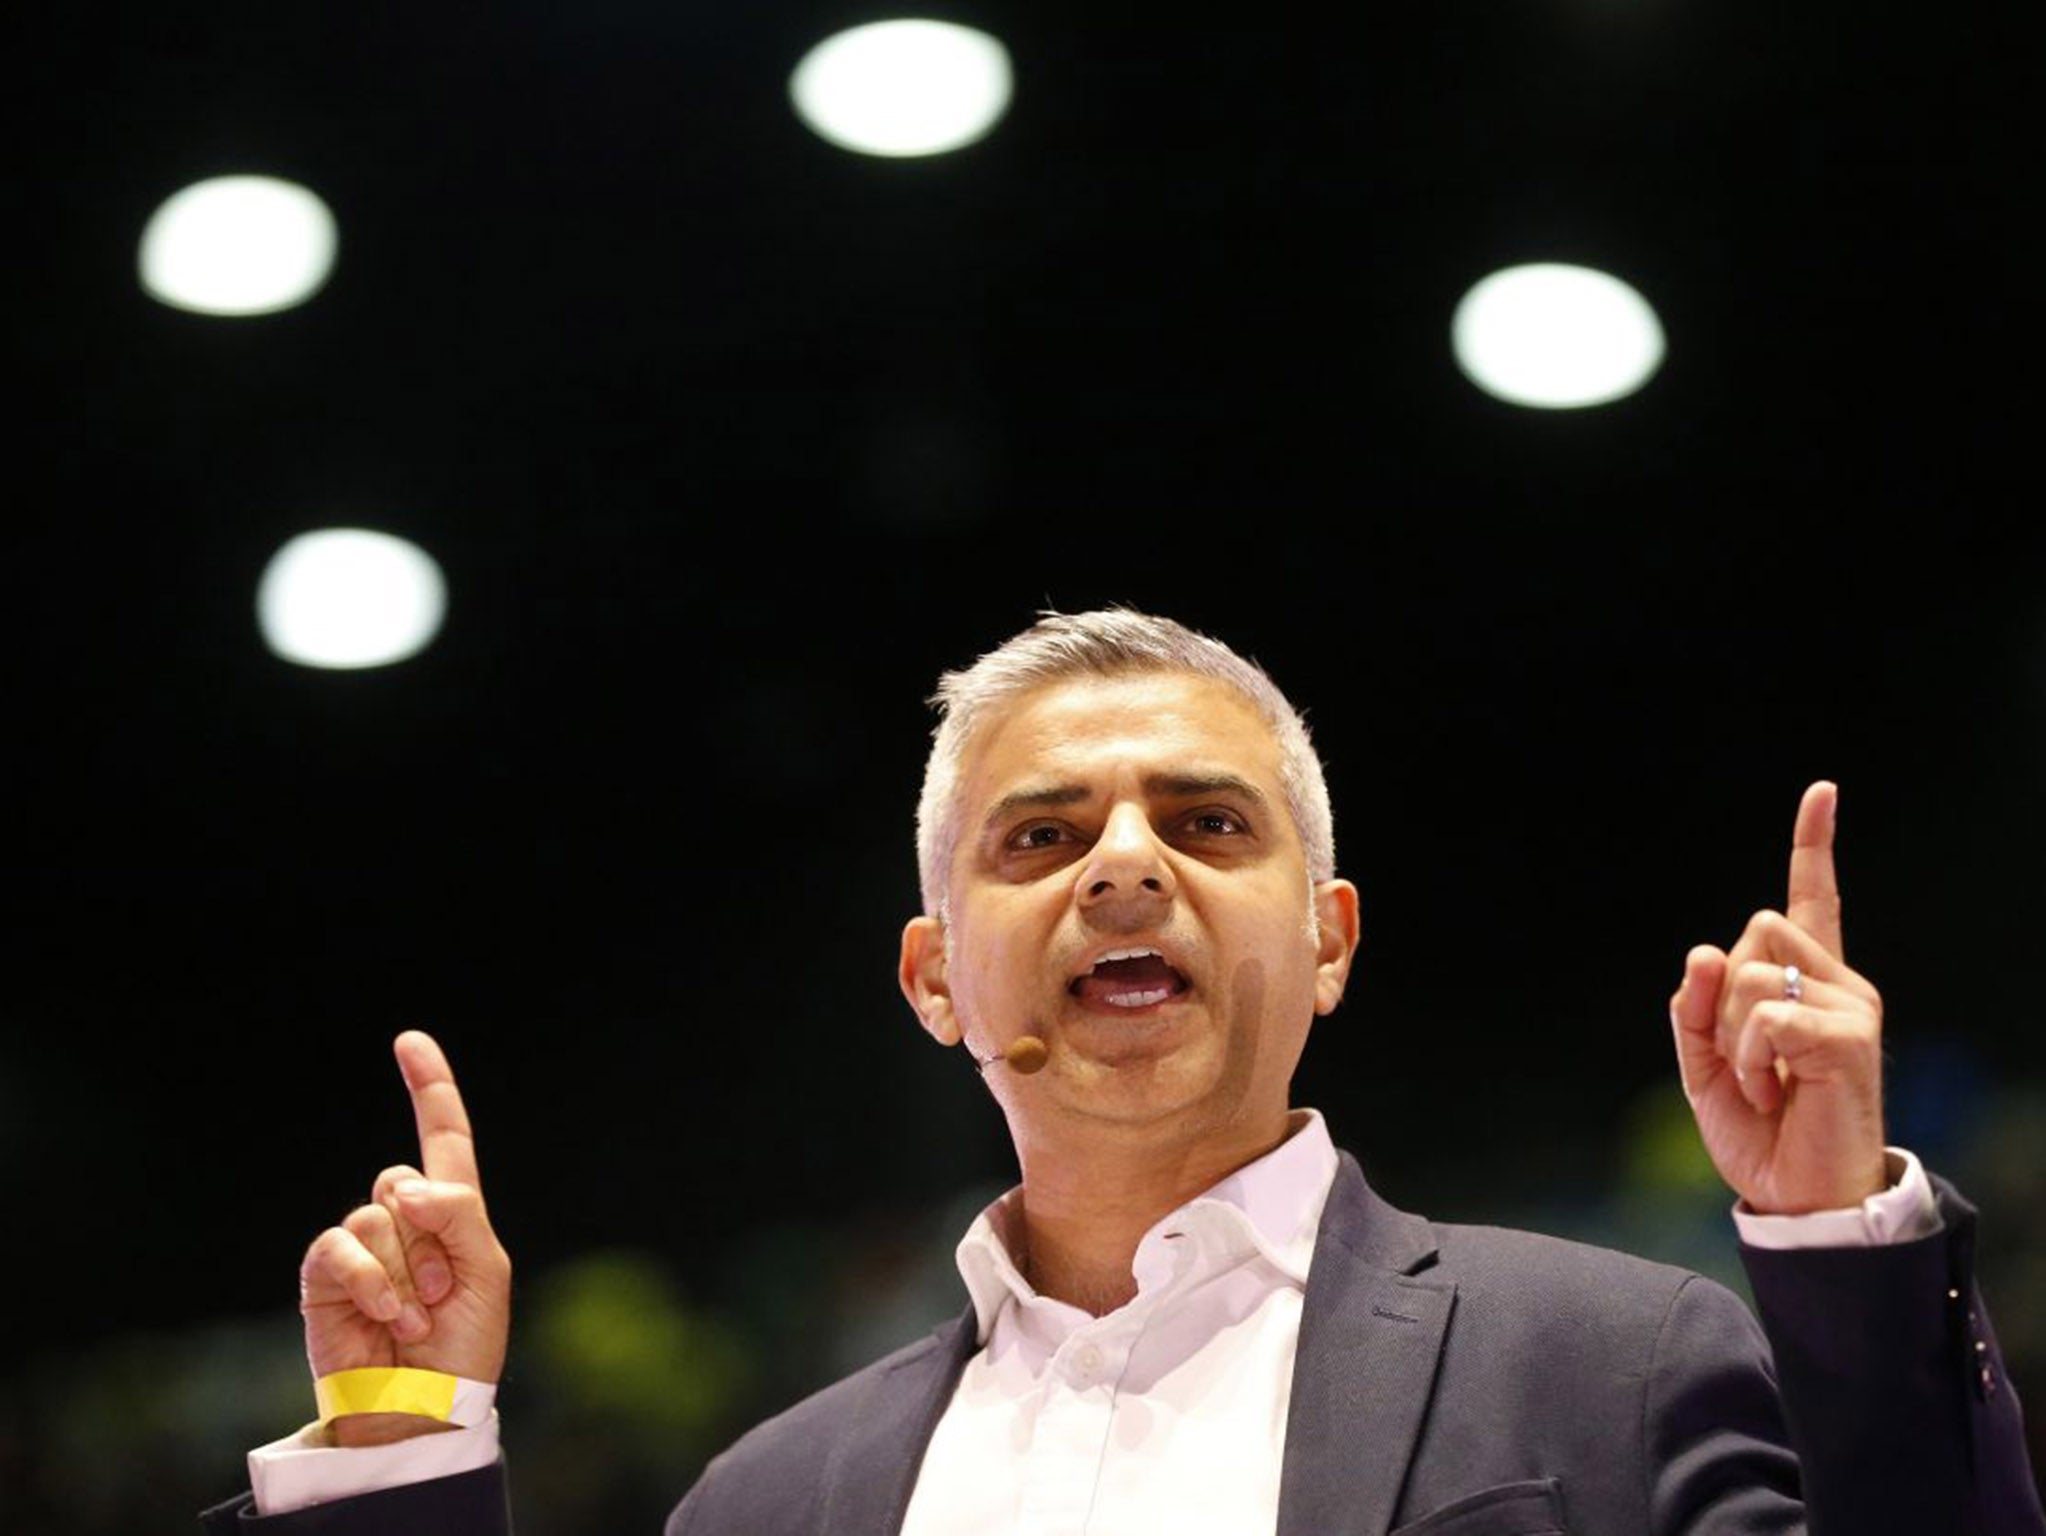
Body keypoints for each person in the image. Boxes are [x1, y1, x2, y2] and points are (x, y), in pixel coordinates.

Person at [204, 608, 2044, 1535]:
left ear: (1326, 937)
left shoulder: (1619, 1361)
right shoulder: (771, 1500)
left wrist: (1828, 1241)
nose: (1122, 864)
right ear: (935, 978)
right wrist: (396, 1449)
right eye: (1037, 838)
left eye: (1204, 817)